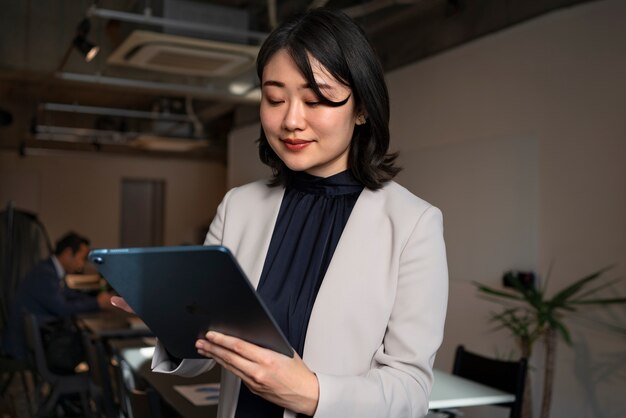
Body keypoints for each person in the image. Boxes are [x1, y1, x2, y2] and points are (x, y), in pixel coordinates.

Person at [113, 8, 448, 418]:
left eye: (315, 99)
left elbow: (411, 391)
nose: (291, 120)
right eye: (274, 98)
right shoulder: (238, 207)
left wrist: (311, 393)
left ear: (362, 109)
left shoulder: (413, 224)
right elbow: (204, 354)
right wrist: (170, 317)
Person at [2, 231, 113, 373]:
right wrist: (97, 303)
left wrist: (97, 300)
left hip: (35, 343)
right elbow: (62, 308)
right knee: (92, 348)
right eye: (82, 258)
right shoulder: (45, 274)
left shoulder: (50, 270)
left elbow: (69, 295)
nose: (83, 264)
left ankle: (76, 391)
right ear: (68, 253)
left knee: (86, 344)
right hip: (24, 348)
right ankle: (84, 388)